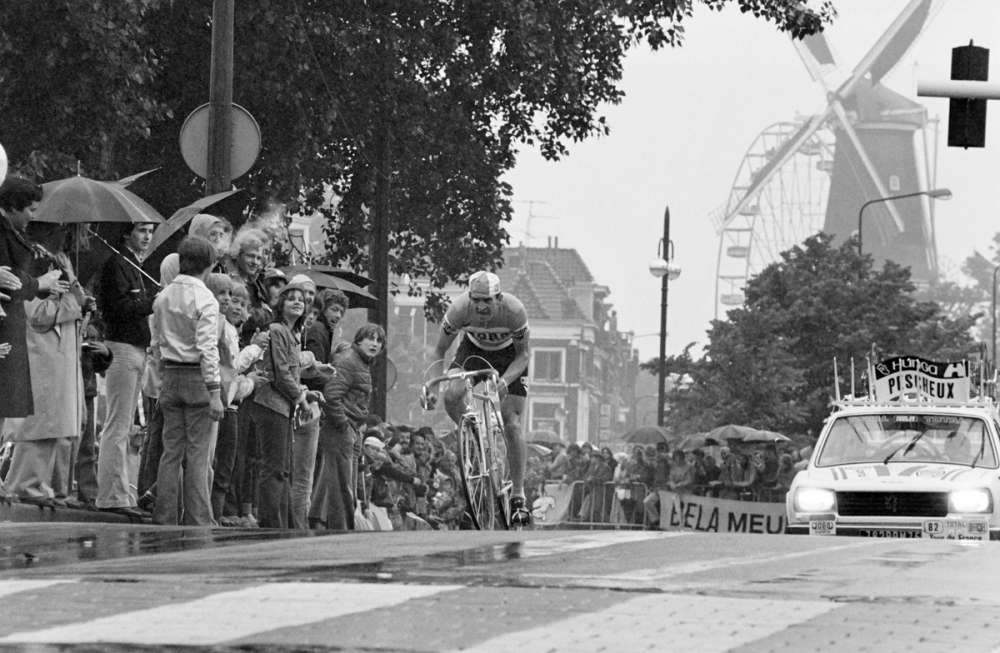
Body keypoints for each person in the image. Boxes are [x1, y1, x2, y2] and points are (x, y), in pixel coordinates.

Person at [430, 270, 532, 526]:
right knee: (451, 395)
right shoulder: (459, 309)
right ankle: (472, 433)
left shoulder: (514, 310)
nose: (481, 306)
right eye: (476, 300)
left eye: (488, 300)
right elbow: (440, 349)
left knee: (512, 421)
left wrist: (505, 381)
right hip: (472, 349)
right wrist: (432, 388)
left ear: (499, 298)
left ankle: (518, 497)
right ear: (469, 297)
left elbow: (523, 356)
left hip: (510, 357)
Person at [5, 222, 88, 506]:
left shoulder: (56, 267)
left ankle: (42, 485)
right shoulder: (32, 271)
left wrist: (74, 290)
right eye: (60, 234)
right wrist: (70, 304)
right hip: (40, 357)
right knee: (39, 427)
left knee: (55, 427)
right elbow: (37, 315)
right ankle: (25, 485)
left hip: (59, 356)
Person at [149, 237, 223, 526]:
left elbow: (155, 342)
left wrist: (161, 373)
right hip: (197, 379)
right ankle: (198, 519)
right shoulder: (206, 299)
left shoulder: (163, 296)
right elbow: (208, 349)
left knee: (171, 451)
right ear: (210, 265)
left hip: (170, 375)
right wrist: (215, 391)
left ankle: (164, 514)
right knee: (197, 454)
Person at [95, 221, 157, 518]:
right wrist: (150, 303)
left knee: (124, 424)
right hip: (121, 346)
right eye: (142, 230)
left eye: (150, 231)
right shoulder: (116, 264)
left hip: (136, 347)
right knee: (117, 425)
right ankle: (111, 495)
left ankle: (122, 491)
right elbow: (117, 309)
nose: (147, 236)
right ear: (126, 233)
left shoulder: (132, 264)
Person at [248, 278, 320, 528]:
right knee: (274, 467)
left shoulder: (293, 335)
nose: (298, 303)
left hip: (284, 406)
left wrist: (302, 394)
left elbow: (292, 372)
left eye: (302, 300)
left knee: (283, 468)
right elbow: (281, 372)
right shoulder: (277, 330)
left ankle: (282, 522)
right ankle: (270, 523)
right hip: (271, 404)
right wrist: (300, 397)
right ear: (281, 303)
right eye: (291, 298)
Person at [0, 176, 67, 430]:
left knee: (4, 410)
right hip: (4, 325)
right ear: (13, 207)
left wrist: (43, 285)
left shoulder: (15, 233)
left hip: (11, 323)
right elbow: (10, 279)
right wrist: (38, 283)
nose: (32, 216)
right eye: (30, 210)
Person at [310, 323, 385, 531]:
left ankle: (328, 523)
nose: (375, 343)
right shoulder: (349, 361)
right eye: (370, 338)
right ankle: (343, 530)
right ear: (359, 340)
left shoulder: (362, 363)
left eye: (379, 340)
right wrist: (344, 424)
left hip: (351, 429)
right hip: (341, 429)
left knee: (341, 482)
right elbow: (332, 395)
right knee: (343, 484)